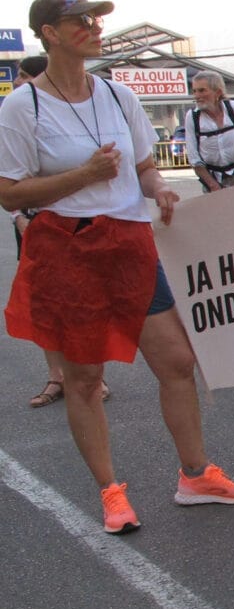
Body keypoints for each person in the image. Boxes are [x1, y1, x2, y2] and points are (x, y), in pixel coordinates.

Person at [0, 0, 234, 532]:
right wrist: (83, 176)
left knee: (177, 361)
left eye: (96, 19)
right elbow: (9, 192)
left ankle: (195, 476)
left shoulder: (118, 96)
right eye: (82, 20)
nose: (95, 28)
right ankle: (111, 492)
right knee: (84, 379)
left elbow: (143, 166)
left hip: (130, 244)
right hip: (67, 248)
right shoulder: (24, 106)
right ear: (50, 33)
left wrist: (159, 187)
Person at [10, 53, 115, 408]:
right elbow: (11, 180)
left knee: (83, 303)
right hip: (32, 221)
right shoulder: (18, 111)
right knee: (46, 306)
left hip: (69, 223)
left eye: (25, 75)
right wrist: (18, 218)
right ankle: (57, 376)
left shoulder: (64, 112)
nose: (19, 81)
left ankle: (89, 375)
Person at [184, 69, 234, 193]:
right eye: (194, 91)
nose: (197, 96)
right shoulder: (192, 117)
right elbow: (194, 158)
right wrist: (213, 186)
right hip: (212, 179)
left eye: (202, 90)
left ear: (217, 92)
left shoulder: (233, 108)